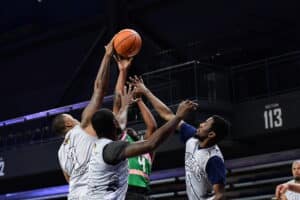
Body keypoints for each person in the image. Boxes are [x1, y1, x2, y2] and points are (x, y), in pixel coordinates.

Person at [52, 36, 131, 199]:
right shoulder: (82, 128)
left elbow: (70, 180)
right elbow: (99, 90)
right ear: (68, 122)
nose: (76, 119)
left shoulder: (61, 153)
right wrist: (107, 56)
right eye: (72, 117)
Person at [86, 86, 198, 200]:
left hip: (137, 192)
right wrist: (178, 116)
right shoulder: (113, 146)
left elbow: (148, 128)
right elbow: (151, 143)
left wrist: (132, 103)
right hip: (128, 191)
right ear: (114, 124)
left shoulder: (104, 146)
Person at [129, 76, 230, 200]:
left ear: (211, 134)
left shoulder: (214, 160)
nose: (201, 124)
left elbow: (220, 195)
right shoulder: (192, 137)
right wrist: (146, 91)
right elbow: (168, 115)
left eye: (205, 124)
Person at [112, 57, 157, 200]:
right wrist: (123, 72)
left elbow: (152, 127)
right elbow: (118, 101)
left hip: (143, 194)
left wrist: (139, 100)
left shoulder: (146, 148)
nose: (133, 131)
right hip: (125, 192)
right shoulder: (123, 142)